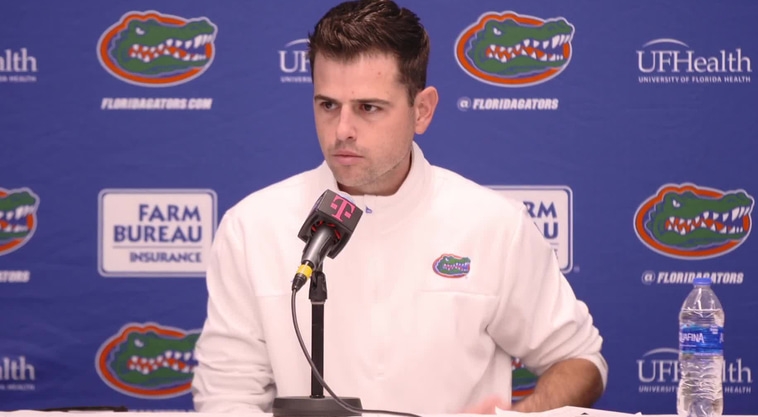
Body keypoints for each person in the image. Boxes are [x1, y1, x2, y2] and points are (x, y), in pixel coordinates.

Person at [191, 0, 607, 413]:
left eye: (368, 108)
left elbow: (579, 360)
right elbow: (228, 397)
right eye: (327, 105)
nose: (343, 131)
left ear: (421, 110)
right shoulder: (252, 228)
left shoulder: (493, 226)